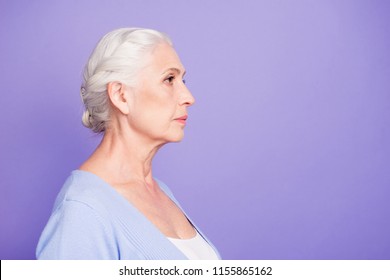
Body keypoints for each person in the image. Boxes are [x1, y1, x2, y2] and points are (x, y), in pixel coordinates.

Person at [36, 28, 220, 260]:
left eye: (182, 79)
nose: (188, 97)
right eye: (169, 79)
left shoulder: (161, 191)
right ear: (121, 95)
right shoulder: (82, 210)